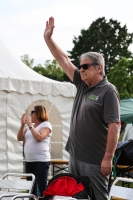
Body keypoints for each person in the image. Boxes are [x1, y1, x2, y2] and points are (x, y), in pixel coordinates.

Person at [43, 17, 121, 200]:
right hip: (76, 157)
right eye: (80, 66)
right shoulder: (82, 84)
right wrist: (48, 39)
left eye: (85, 66)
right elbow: (63, 60)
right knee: (77, 198)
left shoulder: (108, 91)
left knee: (98, 198)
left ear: (99, 68)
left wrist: (108, 158)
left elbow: (115, 126)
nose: (81, 69)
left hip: (95, 160)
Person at [17, 105, 52, 197]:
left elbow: (39, 137)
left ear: (39, 113)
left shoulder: (46, 124)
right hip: (29, 161)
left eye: (32, 112)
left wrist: (30, 126)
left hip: (41, 161)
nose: (30, 114)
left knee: (42, 187)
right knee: (31, 187)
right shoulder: (30, 126)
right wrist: (22, 125)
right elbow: (19, 138)